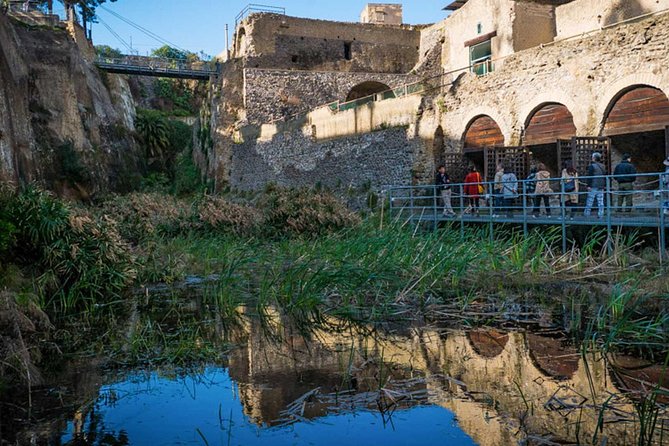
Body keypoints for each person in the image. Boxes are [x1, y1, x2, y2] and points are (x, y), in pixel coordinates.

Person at [584, 152, 606, 218]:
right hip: (601, 185)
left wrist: (588, 185)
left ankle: (587, 214)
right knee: (600, 201)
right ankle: (601, 214)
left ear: (593, 158)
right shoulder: (603, 166)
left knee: (590, 200)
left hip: (593, 185)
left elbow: (590, 176)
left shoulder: (592, 166)